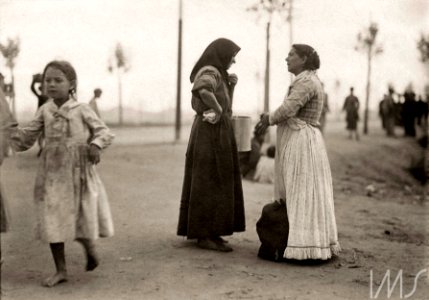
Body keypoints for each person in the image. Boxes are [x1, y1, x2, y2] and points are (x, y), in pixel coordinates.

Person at [7, 60, 115, 287]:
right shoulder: (44, 110)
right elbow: (28, 136)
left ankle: (89, 247)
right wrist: (10, 134)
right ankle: (61, 270)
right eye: (48, 80)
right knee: (52, 218)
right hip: (52, 174)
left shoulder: (82, 109)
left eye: (58, 80)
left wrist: (95, 144)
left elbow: (103, 131)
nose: (52, 84)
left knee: (79, 214)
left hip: (77, 171)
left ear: (71, 84)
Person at [255, 44, 341, 260]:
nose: (286, 58)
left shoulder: (306, 81)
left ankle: (304, 246)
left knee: (300, 191)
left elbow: (289, 109)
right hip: (303, 139)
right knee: (301, 191)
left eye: (291, 55)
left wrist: (268, 119)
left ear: (303, 59)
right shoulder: (307, 80)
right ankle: (301, 243)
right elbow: (289, 109)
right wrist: (271, 117)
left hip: (302, 142)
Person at [177, 38, 245, 252]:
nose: (234, 61)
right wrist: (215, 110)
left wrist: (230, 88)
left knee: (219, 180)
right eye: (232, 56)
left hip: (218, 131)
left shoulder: (219, 74)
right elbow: (203, 90)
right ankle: (203, 235)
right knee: (207, 180)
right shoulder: (210, 71)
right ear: (223, 54)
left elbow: (225, 106)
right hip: (208, 131)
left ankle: (214, 231)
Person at [31, 73, 50, 157]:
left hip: (42, 116)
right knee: (43, 133)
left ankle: (43, 148)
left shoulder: (42, 97)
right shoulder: (45, 98)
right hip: (43, 116)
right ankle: (43, 148)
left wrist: (34, 81)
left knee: (41, 133)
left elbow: (32, 88)